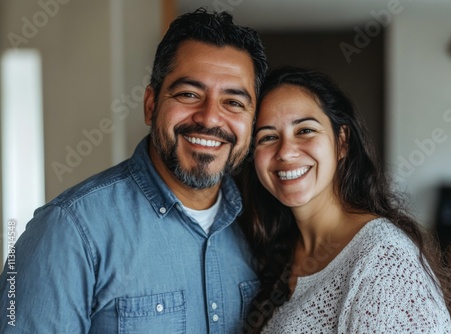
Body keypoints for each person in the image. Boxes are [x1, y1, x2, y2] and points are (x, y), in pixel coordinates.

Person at [0, 8, 267, 333]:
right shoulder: (68, 231)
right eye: (189, 94)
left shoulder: (262, 228)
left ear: (252, 122)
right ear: (151, 105)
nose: (210, 118)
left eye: (233, 103)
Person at [238, 67, 451, 333]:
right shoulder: (272, 250)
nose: (286, 152)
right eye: (267, 137)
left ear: (342, 142)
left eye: (305, 131)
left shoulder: (383, 259)